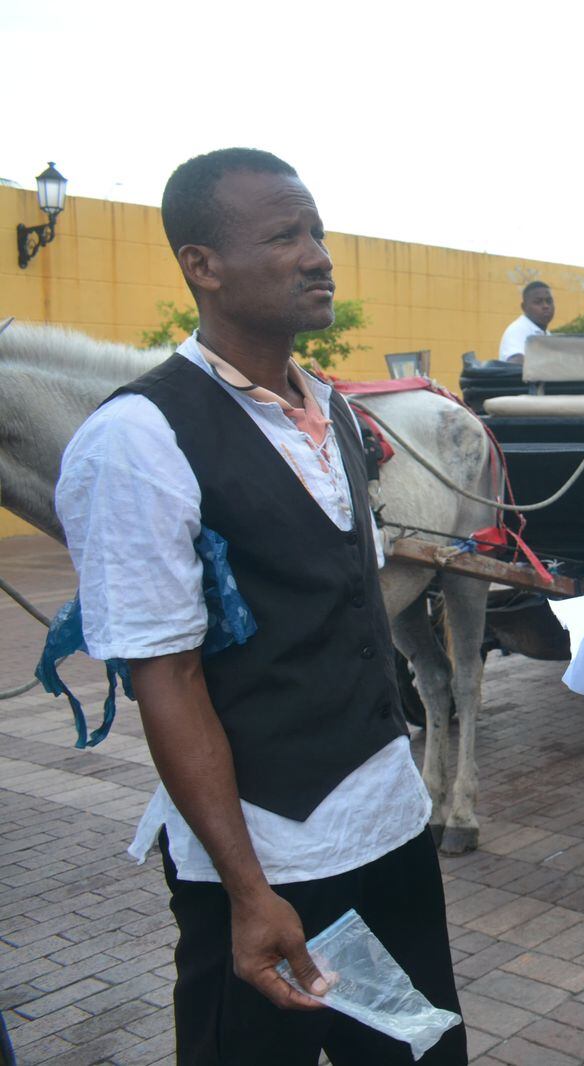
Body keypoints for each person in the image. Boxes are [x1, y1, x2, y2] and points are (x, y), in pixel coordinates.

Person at [54, 148, 465, 1064]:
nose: (318, 254)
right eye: (285, 235)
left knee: (420, 1054)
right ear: (202, 265)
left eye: (317, 231)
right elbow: (168, 676)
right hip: (266, 857)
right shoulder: (139, 438)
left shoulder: (333, 409)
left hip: (388, 823)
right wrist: (247, 890)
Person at [498, 280, 555, 362]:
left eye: (549, 301)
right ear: (524, 307)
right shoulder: (517, 330)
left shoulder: (546, 333)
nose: (546, 306)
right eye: (538, 302)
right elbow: (516, 362)